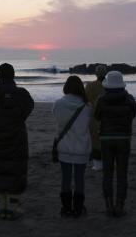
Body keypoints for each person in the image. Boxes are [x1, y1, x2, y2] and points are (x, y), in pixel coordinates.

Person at [0, 63, 34, 220]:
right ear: (13, 75)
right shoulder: (22, 94)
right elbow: (28, 108)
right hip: (16, 137)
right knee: (15, 170)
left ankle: (2, 208)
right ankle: (12, 207)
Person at [95, 71, 136, 218]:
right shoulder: (129, 99)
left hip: (106, 139)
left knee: (107, 174)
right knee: (122, 174)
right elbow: (134, 114)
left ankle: (108, 206)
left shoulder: (101, 99)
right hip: (124, 138)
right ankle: (119, 206)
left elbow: (97, 116)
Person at [52, 76, 92, 218]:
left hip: (64, 146)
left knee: (66, 178)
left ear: (66, 87)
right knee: (80, 178)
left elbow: (57, 120)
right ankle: (78, 209)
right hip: (82, 147)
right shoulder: (87, 107)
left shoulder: (58, 104)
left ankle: (66, 208)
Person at [85, 64, 107, 171]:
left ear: (96, 74)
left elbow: (85, 101)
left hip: (94, 116)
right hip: (108, 116)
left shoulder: (90, 86)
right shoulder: (110, 85)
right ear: (106, 73)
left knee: (95, 140)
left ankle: (97, 164)